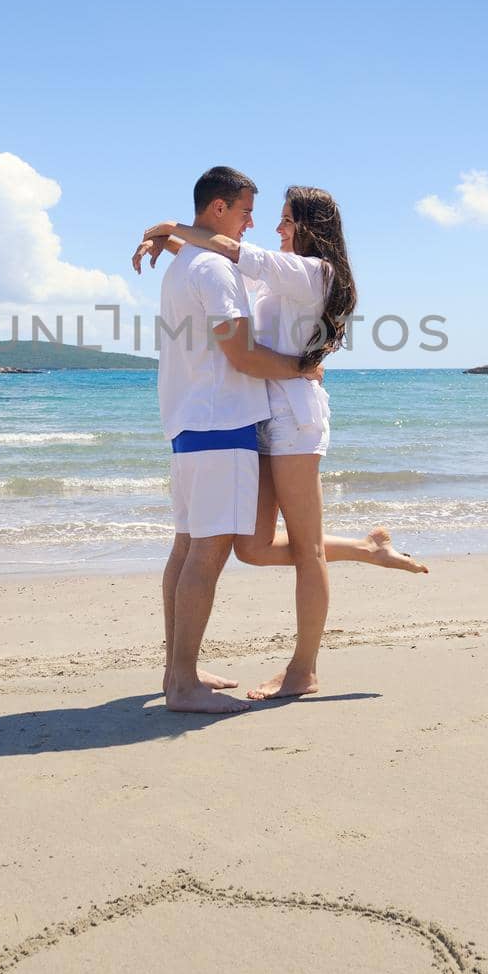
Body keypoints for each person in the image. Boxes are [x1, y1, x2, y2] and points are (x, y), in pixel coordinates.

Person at [135, 184, 428, 702]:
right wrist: (177, 248)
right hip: (260, 416)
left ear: (311, 226)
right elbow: (218, 271)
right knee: (250, 547)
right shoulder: (282, 277)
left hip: (294, 418)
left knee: (307, 549)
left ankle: (303, 670)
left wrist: (166, 228)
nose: (276, 228)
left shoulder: (313, 272)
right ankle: (367, 548)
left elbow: (227, 249)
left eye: (287, 220)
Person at [150, 166, 326, 715]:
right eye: (247, 211)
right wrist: (301, 368)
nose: (251, 223)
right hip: (220, 423)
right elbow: (243, 355)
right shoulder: (215, 271)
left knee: (186, 544)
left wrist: (168, 233)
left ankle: (178, 668)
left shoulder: (184, 266)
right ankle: (182, 684)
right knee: (208, 550)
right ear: (219, 209)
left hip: (187, 420)